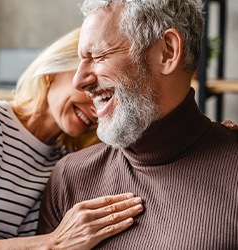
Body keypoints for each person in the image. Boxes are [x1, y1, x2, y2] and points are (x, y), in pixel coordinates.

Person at [38, 0, 238, 249]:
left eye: (98, 56)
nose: (79, 81)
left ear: (167, 52)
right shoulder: (70, 177)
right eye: (81, 60)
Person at [0, 28, 144, 250]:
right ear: (54, 70)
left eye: (107, 98)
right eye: (91, 89)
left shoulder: (64, 159)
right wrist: (52, 243)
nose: (97, 111)